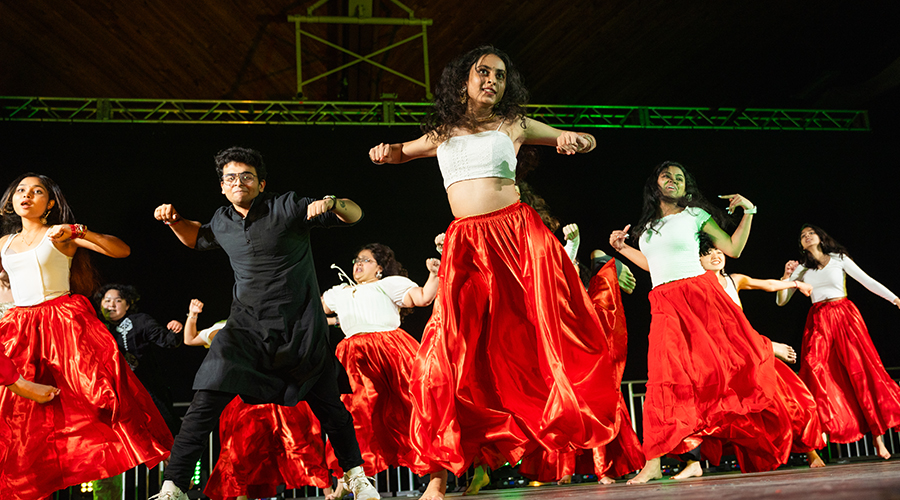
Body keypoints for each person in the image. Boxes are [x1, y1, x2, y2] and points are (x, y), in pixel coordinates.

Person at [370, 45, 620, 500]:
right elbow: (403, 152)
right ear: (463, 80)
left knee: (542, 337)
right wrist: (387, 152)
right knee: (449, 350)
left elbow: (581, 137)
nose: (491, 80)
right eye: (483, 72)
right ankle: (442, 473)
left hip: (519, 239)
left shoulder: (516, 123)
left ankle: (580, 441)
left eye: (500, 76)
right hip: (467, 245)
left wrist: (575, 140)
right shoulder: (442, 131)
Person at [151, 147, 378, 500]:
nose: (238, 182)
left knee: (331, 409)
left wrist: (332, 202)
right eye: (230, 178)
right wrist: (174, 220)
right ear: (222, 187)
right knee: (204, 401)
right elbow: (197, 237)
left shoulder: (286, 206)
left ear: (260, 184)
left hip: (300, 327)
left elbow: (355, 214)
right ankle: (174, 485)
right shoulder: (223, 220)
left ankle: (355, 475)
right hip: (245, 330)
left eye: (246, 176)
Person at [609, 161, 795, 484]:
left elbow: (733, 248)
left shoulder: (695, 216)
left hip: (698, 295)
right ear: (655, 184)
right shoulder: (648, 227)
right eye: (667, 176)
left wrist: (749, 212)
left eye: (680, 178)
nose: (673, 181)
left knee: (724, 366)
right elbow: (653, 265)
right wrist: (622, 248)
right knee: (660, 380)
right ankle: (652, 462)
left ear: (686, 187)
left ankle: (767, 347)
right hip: (663, 302)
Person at [0, 173, 172, 499]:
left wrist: (80, 231)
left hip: (60, 325)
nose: (27, 196)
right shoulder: (4, 244)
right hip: (19, 328)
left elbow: (121, 250)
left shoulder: (58, 234)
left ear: (50, 204)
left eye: (37, 192)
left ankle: (109, 476)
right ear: (11, 201)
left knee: (92, 401)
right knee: (22, 415)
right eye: (21, 190)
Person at [182, 299, 334, 500]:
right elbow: (190, 340)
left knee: (299, 441)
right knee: (240, 450)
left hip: (275, 392)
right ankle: (241, 495)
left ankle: (328, 491)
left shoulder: (270, 322)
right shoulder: (222, 326)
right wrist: (193, 315)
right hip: (244, 398)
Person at [320, 243, 440, 495]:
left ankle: (437, 479)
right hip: (353, 356)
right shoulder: (340, 292)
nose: (358, 264)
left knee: (415, 409)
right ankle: (349, 479)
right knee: (353, 417)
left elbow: (423, 298)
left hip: (390, 350)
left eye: (366, 260)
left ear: (380, 268)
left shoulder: (388, 284)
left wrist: (434, 274)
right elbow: (312, 310)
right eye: (356, 260)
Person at [698, 236, 826, 468]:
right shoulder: (698, 287)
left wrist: (794, 283)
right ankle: (698, 463)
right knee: (746, 415)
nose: (715, 256)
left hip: (752, 352)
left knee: (792, 400)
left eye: (718, 251)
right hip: (728, 359)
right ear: (698, 259)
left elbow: (768, 284)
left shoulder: (734, 280)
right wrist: (771, 346)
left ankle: (811, 452)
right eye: (707, 253)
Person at [776, 224, 900, 459]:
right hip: (819, 320)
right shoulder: (801, 268)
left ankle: (878, 437)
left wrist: (895, 299)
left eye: (810, 233)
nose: (807, 237)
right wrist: (785, 277)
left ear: (821, 238)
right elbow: (782, 301)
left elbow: (867, 281)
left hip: (844, 315)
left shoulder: (838, 258)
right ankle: (821, 429)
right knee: (814, 368)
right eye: (802, 236)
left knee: (860, 372)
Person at [94, 283, 185, 436]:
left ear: (127, 305)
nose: (111, 304)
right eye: (107, 300)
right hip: (114, 393)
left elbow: (169, 342)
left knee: (166, 429)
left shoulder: (140, 321)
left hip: (147, 388)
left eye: (118, 300)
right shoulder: (95, 326)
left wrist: (175, 329)